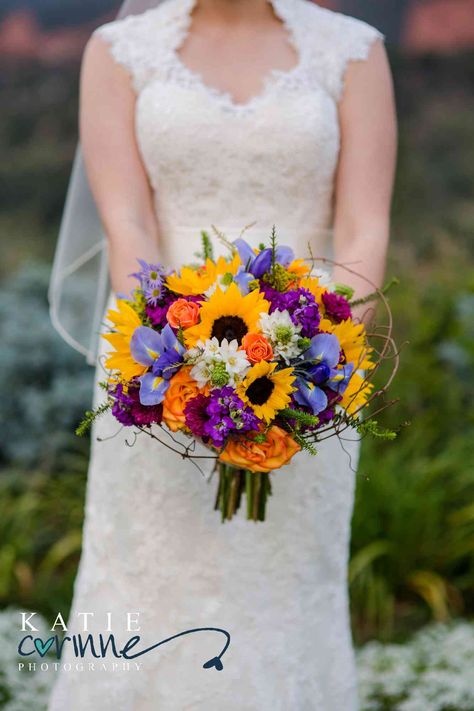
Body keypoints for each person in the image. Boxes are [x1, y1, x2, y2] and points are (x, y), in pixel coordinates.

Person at [48, 0, 396, 708]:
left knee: (287, 592)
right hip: (156, 375)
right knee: (150, 585)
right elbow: (129, 221)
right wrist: (178, 361)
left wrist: (319, 367)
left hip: (314, 376)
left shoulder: (355, 52)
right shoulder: (119, 52)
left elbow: (365, 224)